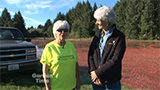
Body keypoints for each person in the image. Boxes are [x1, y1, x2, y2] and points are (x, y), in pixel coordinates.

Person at [88, 5, 126, 90]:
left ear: (107, 21)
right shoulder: (97, 34)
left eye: (99, 20)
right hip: (97, 80)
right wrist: (92, 71)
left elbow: (115, 59)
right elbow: (91, 53)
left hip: (111, 81)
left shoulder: (119, 37)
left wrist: (98, 73)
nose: (96, 22)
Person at [40, 20, 80, 90]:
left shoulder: (71, 46)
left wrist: (78, 85)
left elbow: (76, 67)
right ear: (55, 32)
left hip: (71, 87)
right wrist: (48, 88)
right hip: (55, 88)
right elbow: (45, 72)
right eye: (59, 30)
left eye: (65, 30)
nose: (63, 32)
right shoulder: (49, 47)